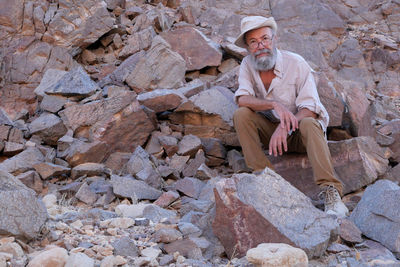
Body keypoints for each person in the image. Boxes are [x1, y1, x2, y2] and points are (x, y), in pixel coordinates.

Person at [233, 15, 349, 218]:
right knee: (242, 115)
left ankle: (331, 192)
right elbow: (243, 98)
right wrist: (273, 105)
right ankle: (265, 180)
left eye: (265, 39)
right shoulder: (247, 65)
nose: (261, 45)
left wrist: (285, 126)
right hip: (272, 137)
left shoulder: (296, 63)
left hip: (300, 136)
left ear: (275, 39)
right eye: (253, 41)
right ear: (248, 47)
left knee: (310, 123)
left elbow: (311, 107)